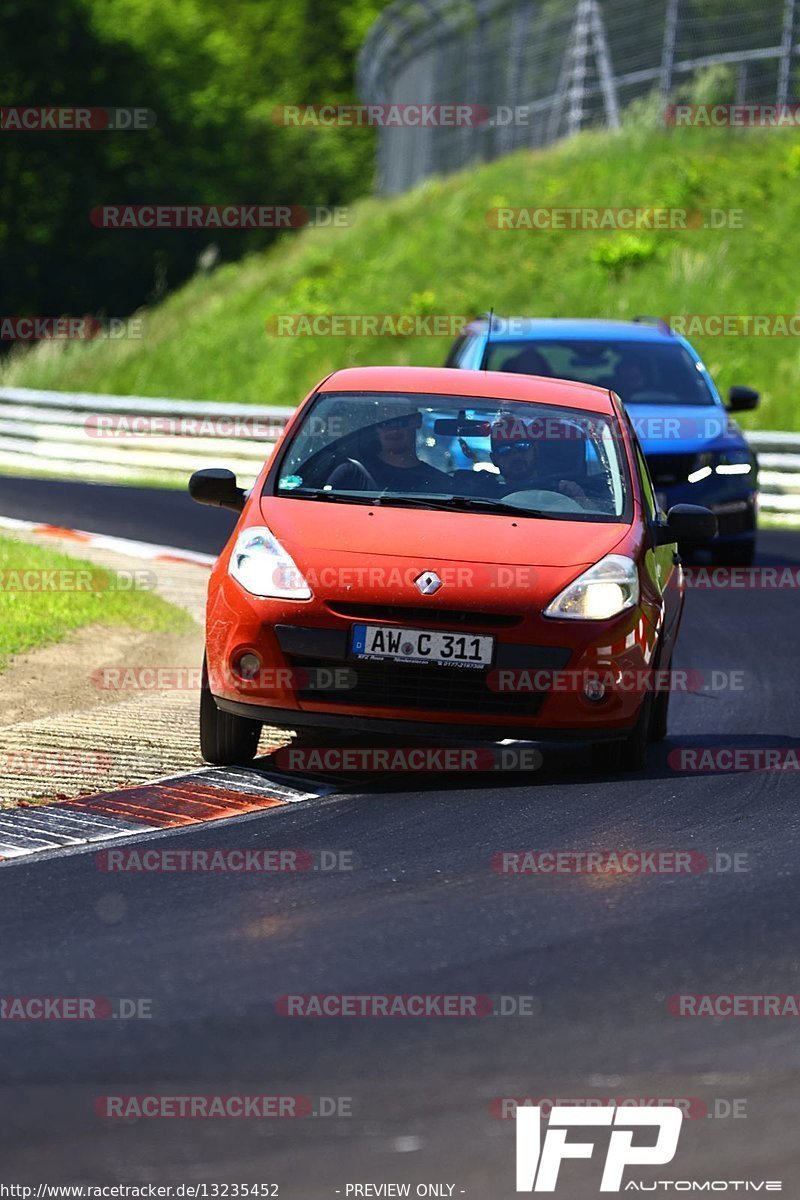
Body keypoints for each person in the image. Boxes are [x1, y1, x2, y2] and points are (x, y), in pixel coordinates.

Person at [326, 407, 451, 493]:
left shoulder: (442, 484)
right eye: (385, 423)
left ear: (417, 421)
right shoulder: (351, 474)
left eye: (401, 422)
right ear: (375, 426)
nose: (393, 430)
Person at [483, 414, 591, 505]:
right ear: (494, 459)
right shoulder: (480, 498)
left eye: (522, 446)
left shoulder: (567, 491)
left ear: (535, 449)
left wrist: (581, 500)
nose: (515, 455)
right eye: (504, 450)